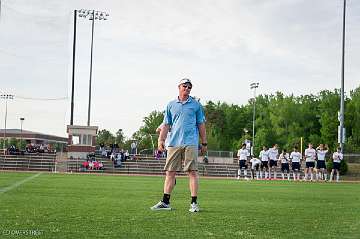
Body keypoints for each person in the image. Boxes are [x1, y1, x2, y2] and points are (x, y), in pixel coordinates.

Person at [150, 78, 207, 213]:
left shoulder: (196, 105)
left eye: (189, 87)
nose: (187, 89)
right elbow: (166, 124)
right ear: (179, 87)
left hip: (191, 142)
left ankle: (194, 203)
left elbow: (201, 124)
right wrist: (161, 140)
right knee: (170, 172)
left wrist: (204, 142)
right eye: (185, 86)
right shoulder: (171, 105)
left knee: (192, 172)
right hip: (174, 143)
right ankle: (165, 202)